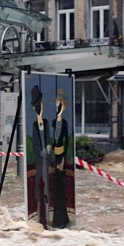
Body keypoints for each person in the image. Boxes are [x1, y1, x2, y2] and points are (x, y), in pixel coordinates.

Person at [29, 85, 51, 226]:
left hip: (47, 158)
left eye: (41, 104)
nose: (40, 107)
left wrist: (48, 147)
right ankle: (39, 215)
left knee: (47, 183)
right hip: (39, 159)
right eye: (38, 105)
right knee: (39, 184)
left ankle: (48, 213)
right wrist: (40, 152)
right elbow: (34, 144)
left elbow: (48, 138)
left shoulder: (47, 123)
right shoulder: (34, 125)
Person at [50, 88, 71, 229]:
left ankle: (62, 218)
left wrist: (63, 158)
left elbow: (66, 142)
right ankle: (56, 217)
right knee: (55, 188)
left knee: (60, 187)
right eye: (57, 103)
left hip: (61, 156)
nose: (58, 106)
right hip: (55, 156)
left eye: (60, 104)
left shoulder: (64, 123)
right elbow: (52, 140)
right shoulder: (53, 122)